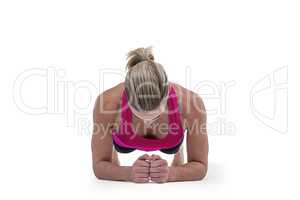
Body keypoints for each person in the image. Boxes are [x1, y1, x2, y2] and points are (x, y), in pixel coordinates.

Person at [91, 47, 208, 183]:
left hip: (171, 141)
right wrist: (127, 173)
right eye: (140, 115)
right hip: (122, 140)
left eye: (156, 116)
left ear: (167, 94)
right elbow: (99, 165)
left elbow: (201, 165)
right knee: (114, 153)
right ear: (128, 99)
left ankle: (178, 150)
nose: (148, 122)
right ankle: (113, 150)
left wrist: (171, 173)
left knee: (173, 148)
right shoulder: (107, 103)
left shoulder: (192, 104)